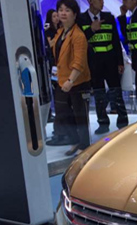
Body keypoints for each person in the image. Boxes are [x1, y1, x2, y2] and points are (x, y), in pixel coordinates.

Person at [77, 0, 128, 135]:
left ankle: (123, 121)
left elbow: (116, 40)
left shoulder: (109, 17)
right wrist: (91, 29)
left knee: (116, 91)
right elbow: (80, 41)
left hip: (110, 61)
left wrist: (120, 62)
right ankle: (103, 123)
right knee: (98, 93)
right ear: (90, 1)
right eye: (99, 0)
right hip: (93, 63)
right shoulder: (81, 19)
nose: (102, 2)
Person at [51, 0, 92, 156]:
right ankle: (75, 140)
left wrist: (71, 80)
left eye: (67, 10)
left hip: (77, 81)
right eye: (60, 10)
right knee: (64, 112)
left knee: (80, 115)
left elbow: (79, 62)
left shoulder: (78, 35)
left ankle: (84, 144)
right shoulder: (61, 32)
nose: (63, 13)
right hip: (62, 80)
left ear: (75, 14)